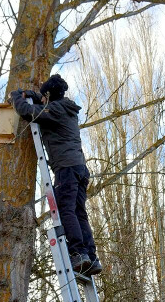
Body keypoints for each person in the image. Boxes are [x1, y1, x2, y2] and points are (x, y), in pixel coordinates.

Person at [9, 74, 101, 275]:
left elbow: (27, 111)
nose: (41, 100)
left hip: (66, 168)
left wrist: (16, 95)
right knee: (78, 212)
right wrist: (33, 94)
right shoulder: (66, 108)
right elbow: (42, 103)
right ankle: (91, 257)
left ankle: (78, 252)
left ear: (49, 96)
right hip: (79, 168)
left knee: (65, 210)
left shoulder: (56, 109)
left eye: (43, 96)